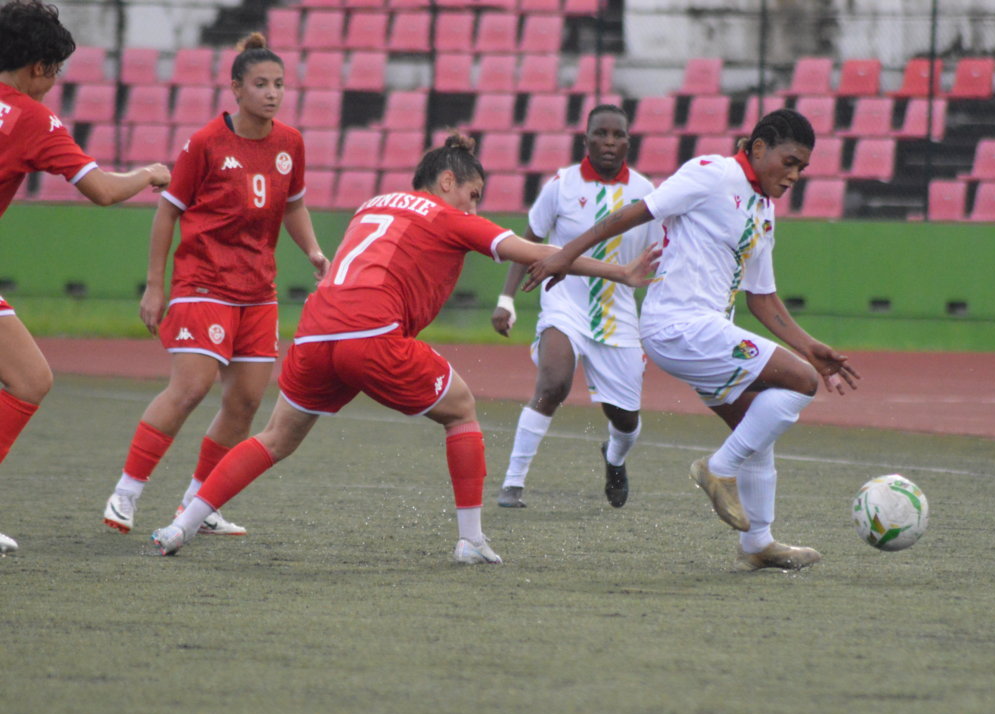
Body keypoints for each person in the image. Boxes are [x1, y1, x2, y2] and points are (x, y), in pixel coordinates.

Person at [147, 134, 658, 562]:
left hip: (316, 333)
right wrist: (619, 271)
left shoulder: (373, 203)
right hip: (371, 335)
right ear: (447, 182)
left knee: (276, 437)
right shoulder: (445, 215)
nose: (474, 208)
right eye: (472, 194)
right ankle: (472, 540)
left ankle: (181, 525)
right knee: (461, 410)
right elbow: (542, 251)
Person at [525, 108, 859, 571]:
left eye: (802, 168)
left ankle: (757, 545)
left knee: (758, 431)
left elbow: (762, 299)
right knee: (801, 383)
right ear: (759, 148)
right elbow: (631, 214)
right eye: (789, 161)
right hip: (677, 325)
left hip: (706, 334)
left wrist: (810, 347)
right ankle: (718, 469)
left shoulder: (763, 210)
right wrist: (565, 255)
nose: (795, 175)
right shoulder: (711, 173)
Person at [101, 32, 329, 537]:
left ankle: (196, 506)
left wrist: (311, 249)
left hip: (258, 292)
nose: (272, 93)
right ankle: (126, 493)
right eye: (261, 84)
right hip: (203, 283)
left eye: (279, 85)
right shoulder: (205, 143)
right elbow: (168, 213)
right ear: (236, 89)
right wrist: (155, 287)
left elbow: (293, 205)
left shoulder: (291, 143)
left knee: (246, 403)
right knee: (190, 389)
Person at [0, 0, 170, 554]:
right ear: (38, 68)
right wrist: (148, 172)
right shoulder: (32, 117)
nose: (55, 81)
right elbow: (101, 190)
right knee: (30, 380)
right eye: (56, 70)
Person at [490, 104, 662, 510]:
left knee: (625, 419)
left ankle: (614, 457)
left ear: (628, 142)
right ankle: (512, 484)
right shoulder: (561, 185)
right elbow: (527, 242)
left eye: (617, 135)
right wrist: (506, 298)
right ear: (585, 138)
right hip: (564, 301)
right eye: (600, 133)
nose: (608, 142)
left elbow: (660, 256)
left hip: (618, 315)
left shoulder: (647, 194)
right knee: (553, 385)